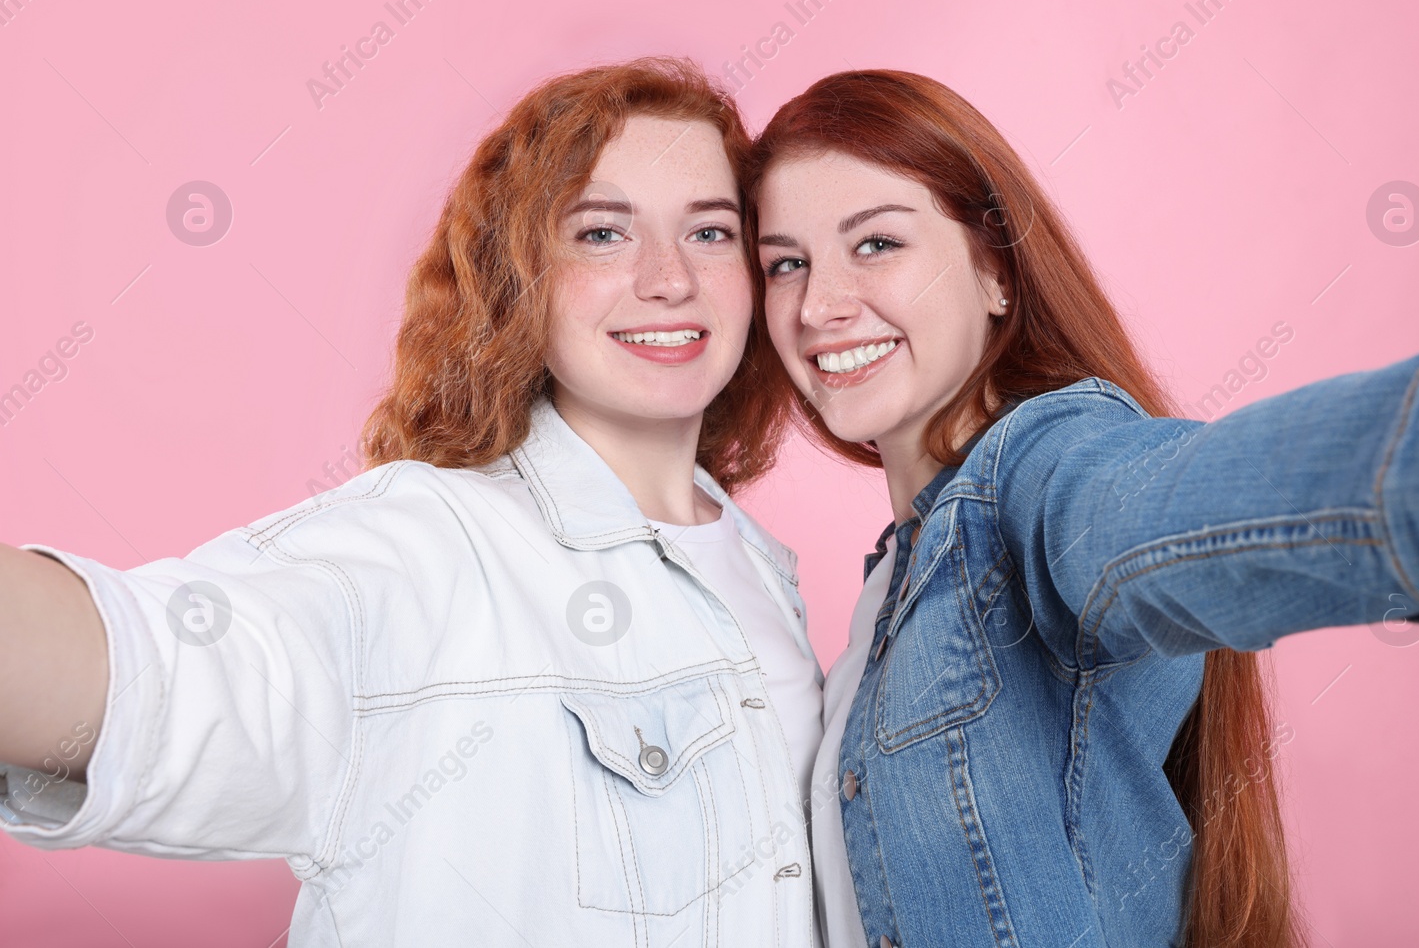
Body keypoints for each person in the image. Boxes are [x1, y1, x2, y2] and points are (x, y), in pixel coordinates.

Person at [745, 69, 1419, 948]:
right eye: (786, 263)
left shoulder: (1038, 474)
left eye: (877, 244)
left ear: (994, 271)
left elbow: (1165, 510)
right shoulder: (893, 583)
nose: (819, 305)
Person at [0, 58, 826, 947]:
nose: (669, 279)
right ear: (519, 278)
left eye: (709, 233)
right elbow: (169, 666)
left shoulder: (760, 571)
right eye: (599, 234)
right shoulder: (425, 545)